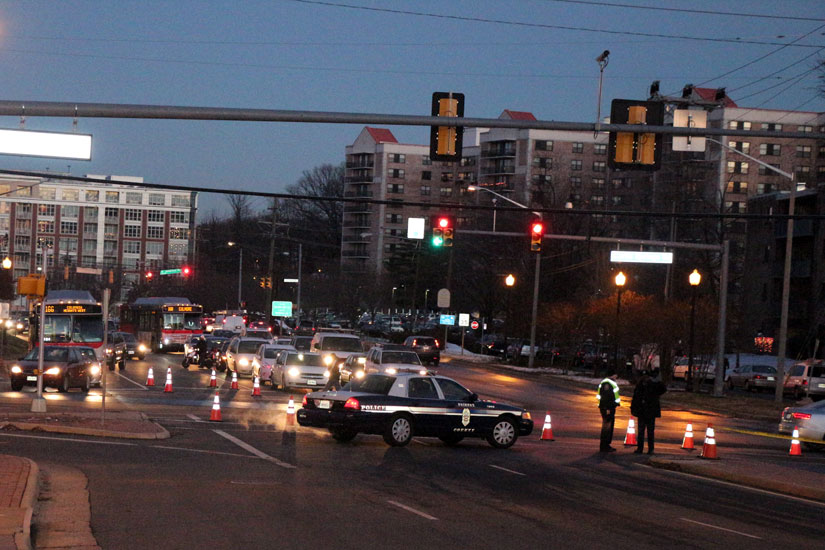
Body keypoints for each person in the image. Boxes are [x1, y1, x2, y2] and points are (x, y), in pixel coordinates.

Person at [630, 368, 667, 454]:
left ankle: (640, 448)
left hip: (642, 411)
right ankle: (650, 449)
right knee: (650, 431)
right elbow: (663, 389)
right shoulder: (654, 384)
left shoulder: (641, 385)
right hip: (650, 411)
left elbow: (635, 397)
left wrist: (633, 408)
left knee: (641, 431)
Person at [597, 369, 621, 452]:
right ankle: (604, 445)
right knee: (607, 427)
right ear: (613, 375)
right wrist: (608, 407)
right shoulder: (608, 383)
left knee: (608, 426)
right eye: (616, 375)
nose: (616, 377)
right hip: (608, 408)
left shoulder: (607, 382)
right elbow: (607, 397)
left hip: (608, 407)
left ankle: (606, 444)